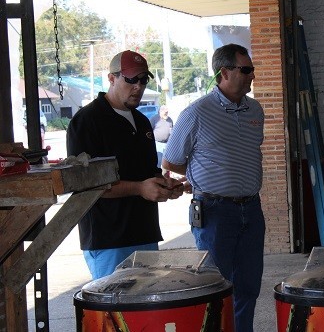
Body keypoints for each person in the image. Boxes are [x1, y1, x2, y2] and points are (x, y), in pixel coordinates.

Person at [162, 43, 265, 332]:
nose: (251, 75)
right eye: (245, 70)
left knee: (248, 285)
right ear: (223, 72)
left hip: (251, 209)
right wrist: (203, 175)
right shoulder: (196, 113)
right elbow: (172, 161)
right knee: (216, 287)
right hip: (214, 212)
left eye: (252, 69)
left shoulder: (255, 110)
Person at [66, 50, 184, 280]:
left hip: (145, 233)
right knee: (113, 313)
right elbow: (87, 186)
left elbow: (148, 173)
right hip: (109, 238)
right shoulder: (87, 121)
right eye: (131, 79)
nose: (138, 86)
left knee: (146, 312)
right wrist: (140, 188)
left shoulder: (141, 121)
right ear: (111, 78)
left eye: (143, 79)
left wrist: (165, 186)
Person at [150, 105, 174, 169]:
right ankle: (158, 176)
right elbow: (149, 131)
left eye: (167, 112)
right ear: (160, 111)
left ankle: (165, 176)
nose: (166, 114)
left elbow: (171, 131)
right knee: (158, 162)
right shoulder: (154, 119)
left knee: (166, 163)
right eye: (165, 112)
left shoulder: (170, 120)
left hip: (166, 144)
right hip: (157, 144)